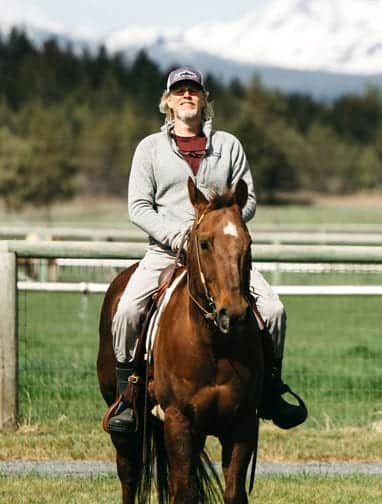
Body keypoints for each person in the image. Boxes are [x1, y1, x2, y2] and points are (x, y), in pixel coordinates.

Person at [107, 66, 307, 433]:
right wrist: (178, 237)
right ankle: (127, 398)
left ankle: (271, 389)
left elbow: (248, 201)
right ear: (167, 101)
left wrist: (219, 229)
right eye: (179, 90)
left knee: (274, 310)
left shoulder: (229, 146)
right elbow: (139, 207)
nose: (187, 96)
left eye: (194, 90)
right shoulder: (149, 148)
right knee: (127, 311)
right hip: (167, 253)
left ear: (205, 100)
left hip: (220, 257)